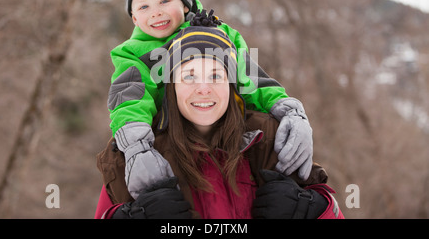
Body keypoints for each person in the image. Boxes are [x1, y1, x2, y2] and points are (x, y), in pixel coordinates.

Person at [108, 0, 314, 200]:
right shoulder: (132, 53)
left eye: (165, 1)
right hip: (169, 142)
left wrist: (288, 111)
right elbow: (129, 100)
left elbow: (252, 78)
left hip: (226, 135)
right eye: (143, 7)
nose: (156, 12)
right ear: (133, 18)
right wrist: (137, 148)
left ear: (185, 4)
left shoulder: (219, 35)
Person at [95, 26, 343, 219]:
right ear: (172, 87)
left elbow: (332, 211)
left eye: (215, 76)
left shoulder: (271, 139)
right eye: (189, 76)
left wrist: (311, 209)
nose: (204, 89)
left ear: (232, 86)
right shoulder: (135, 156)